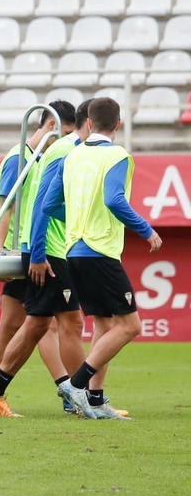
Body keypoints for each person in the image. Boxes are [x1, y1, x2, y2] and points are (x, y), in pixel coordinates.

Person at [21, 97, 159, 420]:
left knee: (105, 323)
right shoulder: (117, 155)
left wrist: (77, 219)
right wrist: (145, 229)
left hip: (73, 250)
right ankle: (77, 385)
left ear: (89, 123)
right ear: (118, 125)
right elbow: (114, 200)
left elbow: (49, 205)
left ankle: (95, 399)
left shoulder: (73, 155)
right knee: (130, 325)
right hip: (100, 250)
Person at [0, 100, 103, 417]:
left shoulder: (42, 156)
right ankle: (76, 395)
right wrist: (1, 251)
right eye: (67, 132)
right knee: (44, 325)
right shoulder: (21, 158)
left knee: (31, 325)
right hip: (34, 249)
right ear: (51, 127)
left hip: (34, 247)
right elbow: (7, 207)